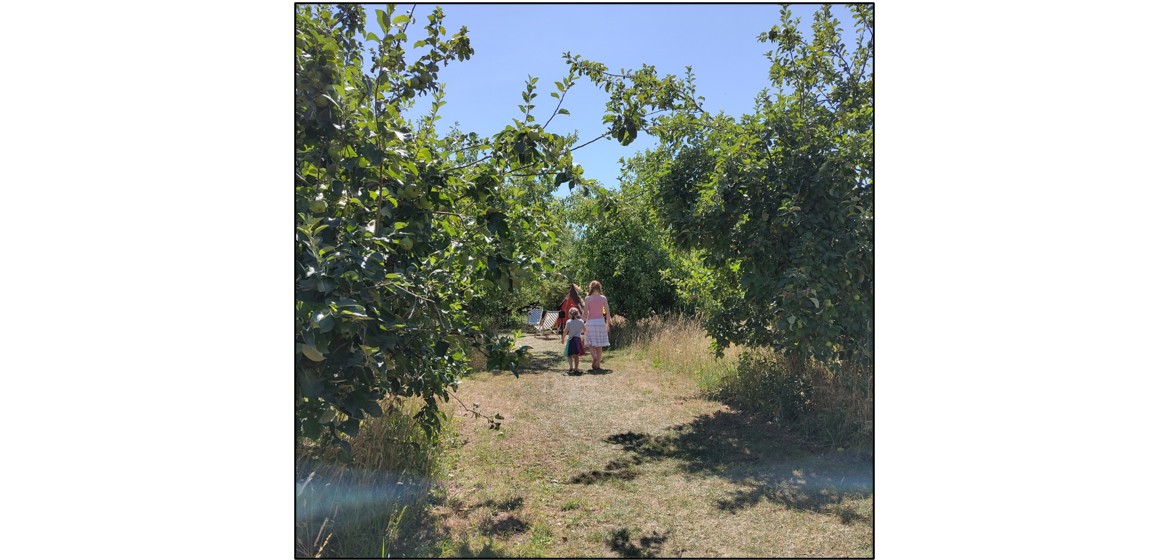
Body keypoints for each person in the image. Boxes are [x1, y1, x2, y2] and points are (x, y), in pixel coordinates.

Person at [582, 280, 610, 371]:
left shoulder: (588, 298)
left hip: (591, 323)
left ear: (591, 288)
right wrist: (608, 324)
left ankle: (594, 357)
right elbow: (608, 312)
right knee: (600, 344)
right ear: (599, 288)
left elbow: (585, 313)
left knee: (590, 343)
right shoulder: (603, 298)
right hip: (601, 323)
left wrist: (582, 323)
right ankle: (597, 364)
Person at [561, 307, 586, 374]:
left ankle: (571, 366)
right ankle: (576, 368)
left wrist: (563, 338)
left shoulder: (569, 321)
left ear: (570, 314)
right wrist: (581, 332)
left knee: (569, 354)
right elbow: (584, 330)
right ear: (577, 313)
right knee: (576, 355)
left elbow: (565, 331)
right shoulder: (581, 321)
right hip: (577, 339)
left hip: (571, 340)